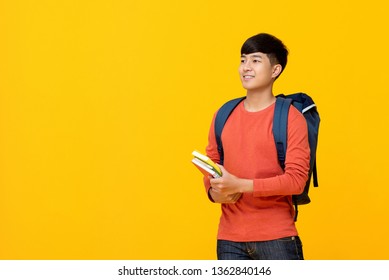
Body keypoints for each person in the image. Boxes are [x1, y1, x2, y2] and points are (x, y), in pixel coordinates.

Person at [203, 33, 310, 260]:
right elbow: (211, 164)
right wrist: (215, 193)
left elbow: (296, 181)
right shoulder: (223, 114)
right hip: (229, 240)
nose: (246, 67)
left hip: (277, 240)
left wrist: (239, 185)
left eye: (256, 60)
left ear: (275, 70)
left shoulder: (290, 117)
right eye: (243, 60)